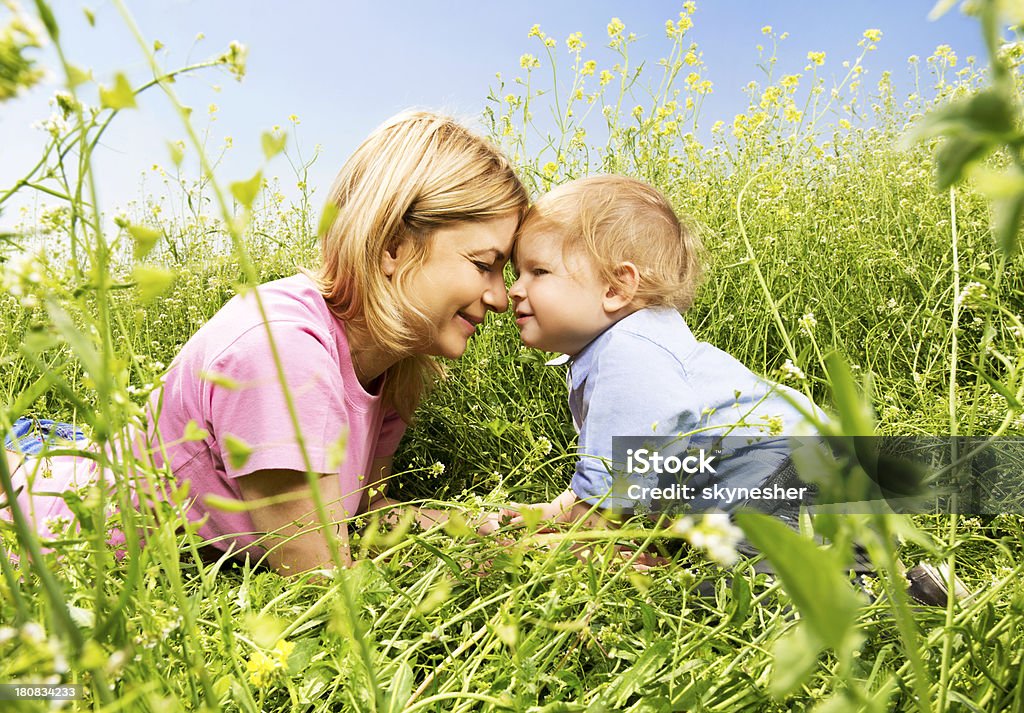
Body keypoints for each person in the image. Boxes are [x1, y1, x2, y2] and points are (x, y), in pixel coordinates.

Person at [2, 110, 528, 575]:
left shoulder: (392, 366)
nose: (500, 297)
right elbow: (319, 572)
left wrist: (500, 530)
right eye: (484, 265)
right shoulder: (284, 354)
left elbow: (358, 509)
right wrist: (493, 573)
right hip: (44, 536)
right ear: (392, 246)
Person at [505, 174, 823, 527]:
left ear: (615, 287)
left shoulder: (627, 354)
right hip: (808, 474)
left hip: (794, 475)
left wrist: (576, 538)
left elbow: (606, 501)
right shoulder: (628, 344)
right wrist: (546, 514)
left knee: (732, 577)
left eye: (538, 271)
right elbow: (605, 481)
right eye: (517, 273)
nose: (516, 289)